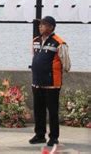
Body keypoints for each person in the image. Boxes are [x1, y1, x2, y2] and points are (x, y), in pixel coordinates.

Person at [29, 16, 71, 147]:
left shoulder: (59, 42)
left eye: (44, 25)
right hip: (37, 82)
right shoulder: (35, 40)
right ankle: (40, 135)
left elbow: (67, 64)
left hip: (52, 84)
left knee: (52, 111)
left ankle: (53, 137)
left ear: (51, 27)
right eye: (40, 25)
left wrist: (52, 72)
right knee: (38, 110)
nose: (40, 27)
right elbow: (35, 57)